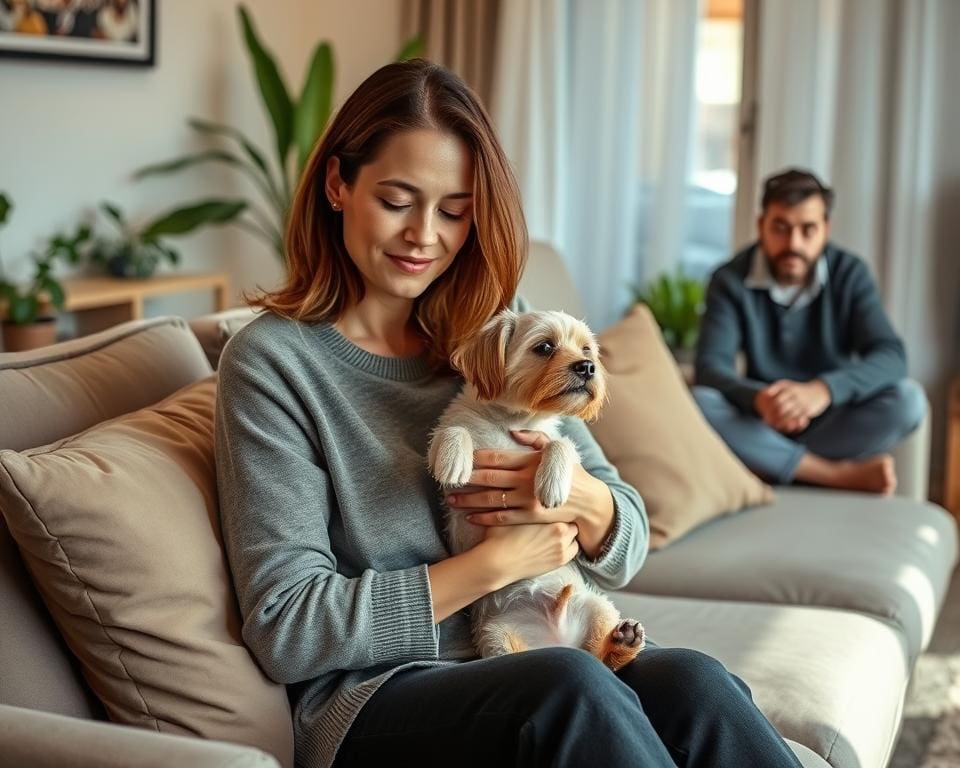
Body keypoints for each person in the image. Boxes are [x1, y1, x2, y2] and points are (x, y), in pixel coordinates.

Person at [214, 59, 802, 768]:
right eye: (398, 200)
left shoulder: (500, 338)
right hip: (378, 696)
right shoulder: (274, 363)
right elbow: (287, 628)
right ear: (338, 185)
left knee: (695, 681)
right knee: (569, 686)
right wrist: (496, 564)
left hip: (544, 654)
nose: (424, 235)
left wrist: (581, 500)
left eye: (454, 210)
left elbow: (628, 537)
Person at [693, 168, 926, 495]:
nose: (794, 244)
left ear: (826, 229)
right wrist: (759, 399)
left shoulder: (850, 274)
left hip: (831, 417)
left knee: (909, 400)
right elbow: (710, 369)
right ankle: (831, 475)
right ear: (761, 226)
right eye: (781, 228)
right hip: (762, 419)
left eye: (808, 229)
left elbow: (892, 356)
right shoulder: (729, 280)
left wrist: (823, 391)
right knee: (701, 402)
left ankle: (770, 465)